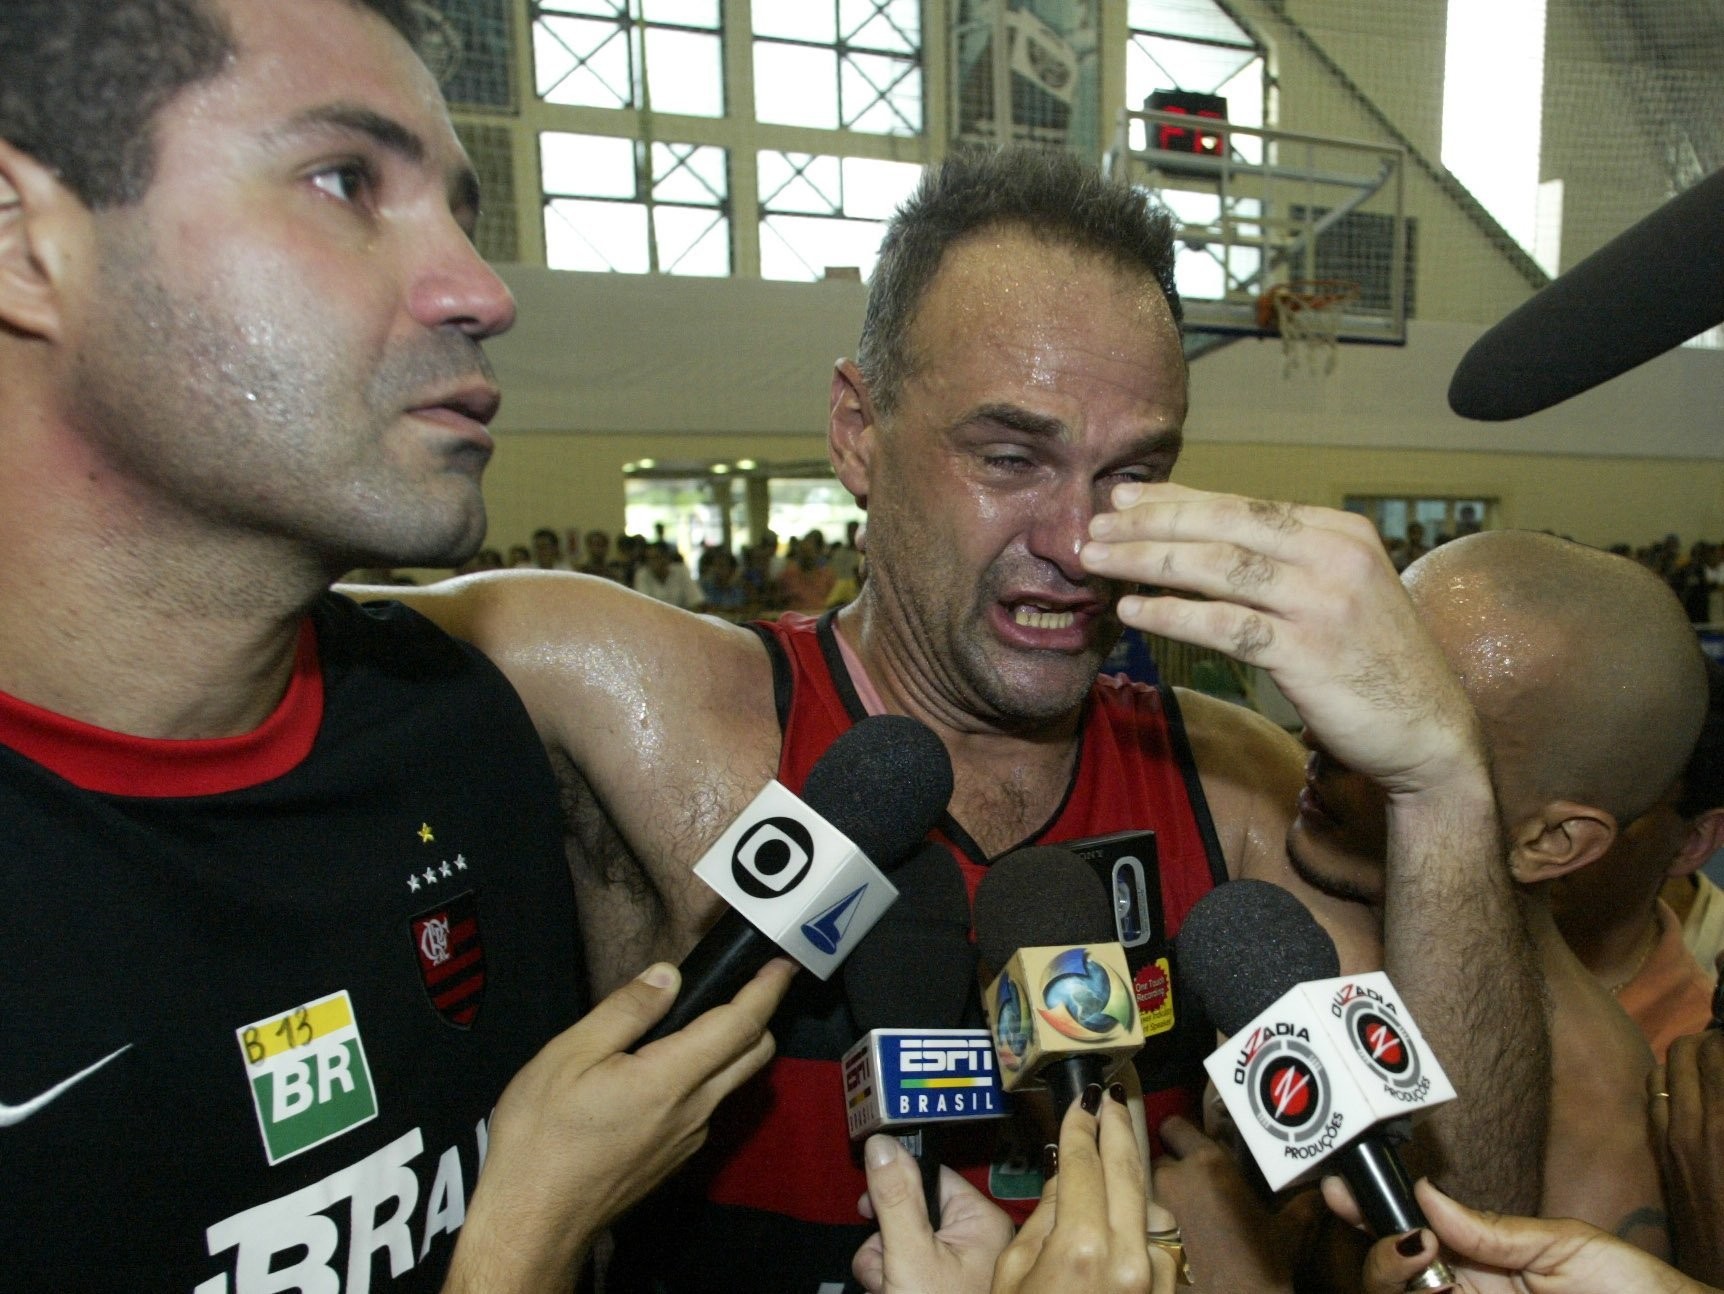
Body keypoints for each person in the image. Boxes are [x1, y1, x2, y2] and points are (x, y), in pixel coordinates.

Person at [356, 147, 1535, 1291]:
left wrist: (1443, 785)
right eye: (1011, 455)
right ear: (857, 433)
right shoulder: (642, 699)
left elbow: (1465, 1224)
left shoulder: (1227, 785)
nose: (1076, 540)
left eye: (1133, 472)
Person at [0, 0, 792, 1287]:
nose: (481, 292)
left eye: (463, 214)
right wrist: (515, 1249)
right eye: (344, 181)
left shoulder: (463, 741)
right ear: (30, 245)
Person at [1263, 530, 1707, 1260]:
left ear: (1550, 842)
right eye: (1357, 684)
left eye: (1412, 737)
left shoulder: (1593, 1133)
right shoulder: (1358, 962)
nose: (1322, 733)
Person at [1552, 656, 1724, 1059]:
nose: (1539, 821)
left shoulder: (1691, 1065)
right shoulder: (1402, 958)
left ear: (1693, 842)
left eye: (1600, 804)